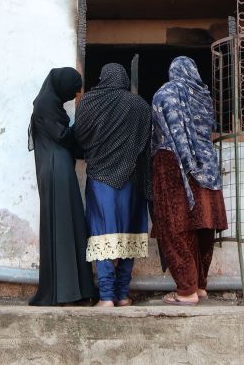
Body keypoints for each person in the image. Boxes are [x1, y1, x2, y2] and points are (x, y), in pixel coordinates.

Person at [150, 56, 228, 306]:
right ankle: (199, 285)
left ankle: (186, 291)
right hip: (208, 168)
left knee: (176, 226)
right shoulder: (205, 97)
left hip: (174, 165)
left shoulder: (166, 92)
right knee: (204, 225)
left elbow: (162, 130)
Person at [73, 63, 152, 308]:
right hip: (133, 180)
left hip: (101, 181)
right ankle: (122, 294)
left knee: (102, 234)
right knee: (130, 234)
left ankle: (106, 296)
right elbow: (146, 144)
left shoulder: (90, 101)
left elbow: (79, 137)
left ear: (102, 78)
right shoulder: (140, 105)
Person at [28, 67, 96, 306]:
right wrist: (85, 127)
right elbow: (62, 136)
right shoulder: (47, 104)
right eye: (74, 86)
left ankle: (72, 289)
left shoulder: (49, 102)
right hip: (57, 169)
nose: (76, 92)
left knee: (67, 225)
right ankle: (66, 291)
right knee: (64, 227)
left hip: (57, 167)